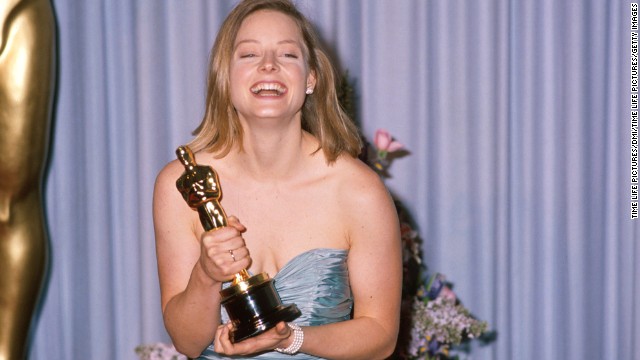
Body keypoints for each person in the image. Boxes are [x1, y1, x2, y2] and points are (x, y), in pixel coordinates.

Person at [153, 0, 402, 358]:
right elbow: (188, 343)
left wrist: (292, 339)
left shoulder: (360, 191)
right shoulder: (180, 183)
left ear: (311, 78)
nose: (268, 65)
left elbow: (380, 337)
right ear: (225, 76)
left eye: (287, 55)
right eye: (249, 54)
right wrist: (206, 276)